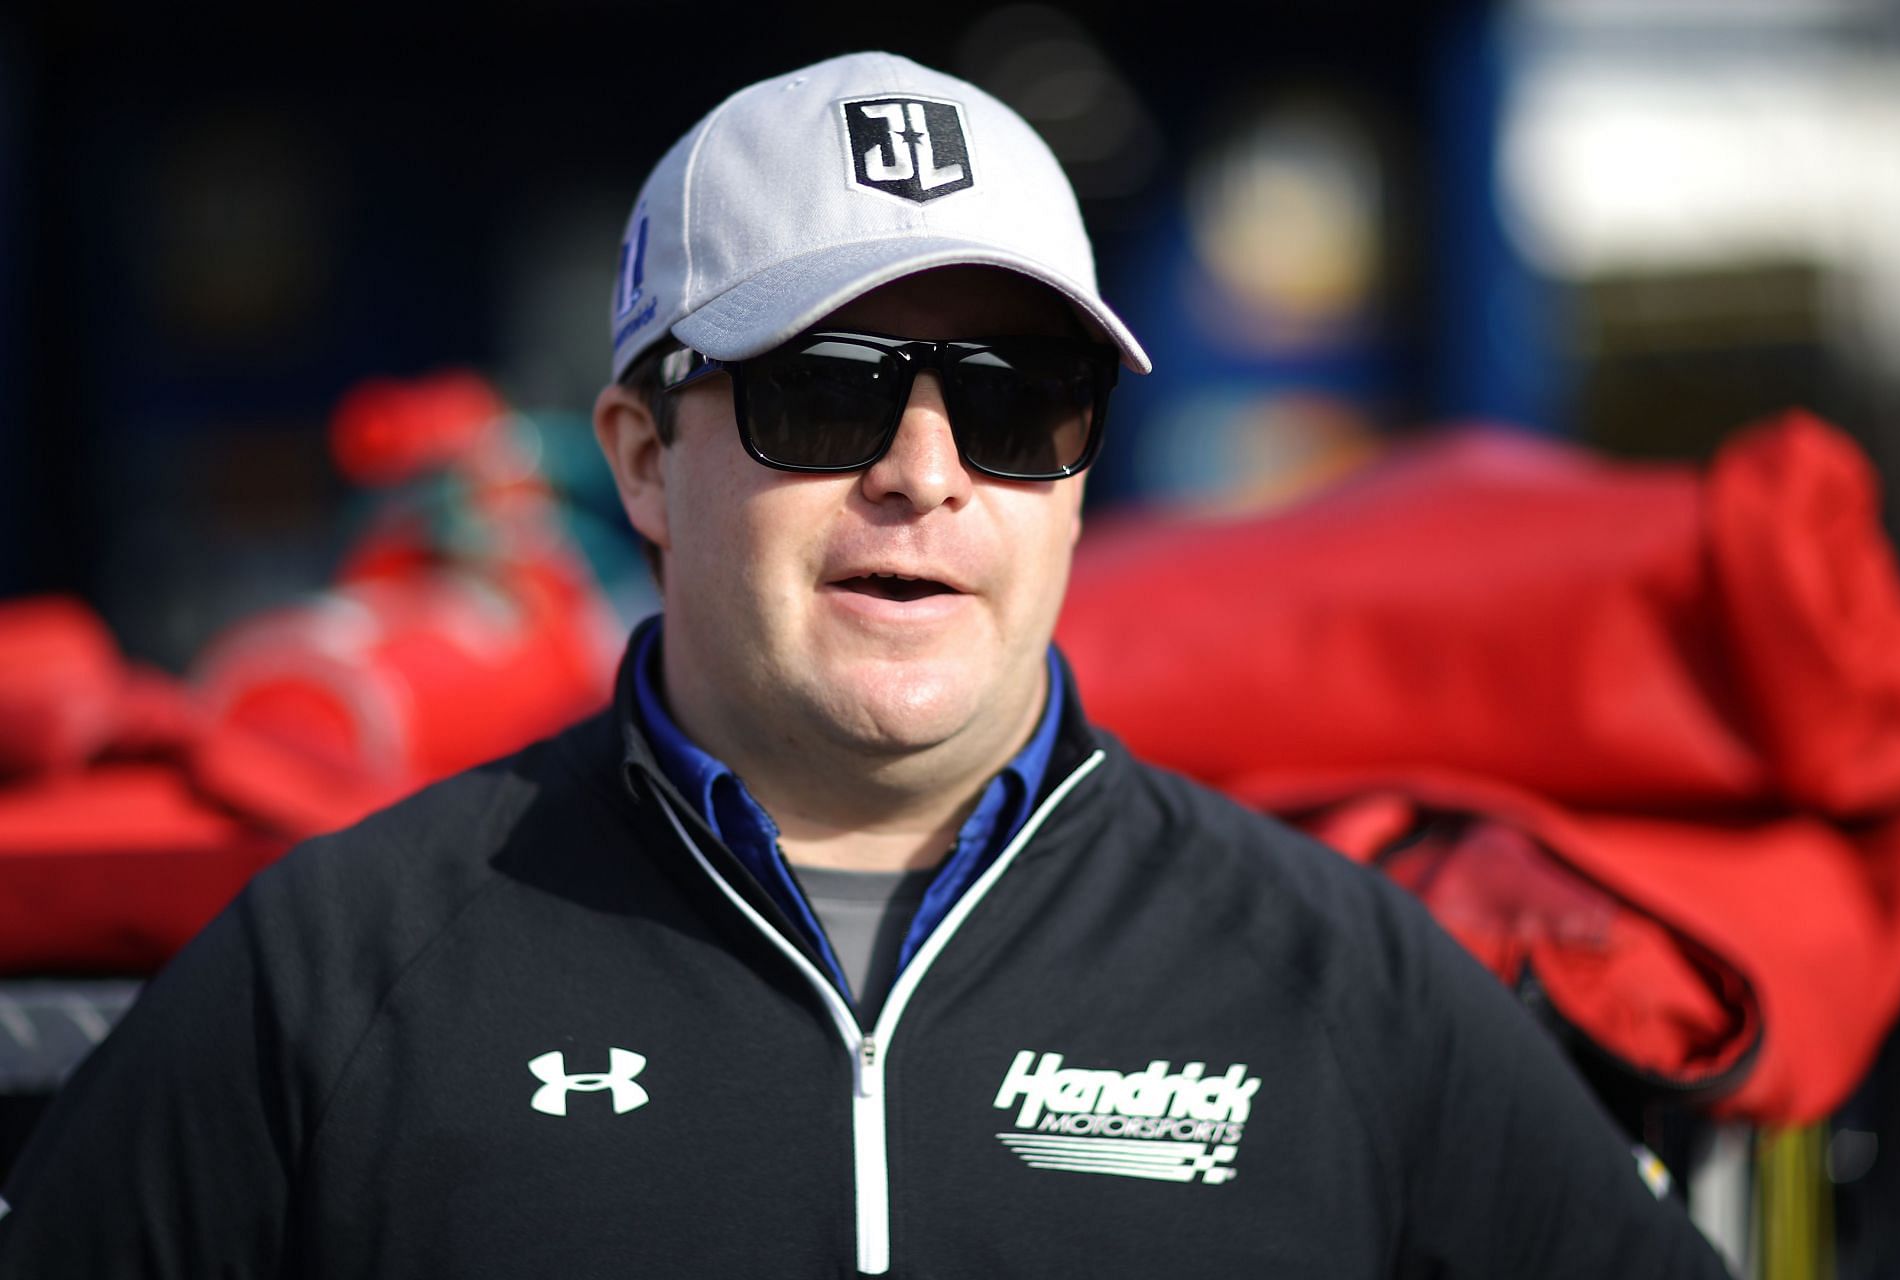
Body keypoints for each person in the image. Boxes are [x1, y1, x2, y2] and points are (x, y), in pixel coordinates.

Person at [0, 51, 1730, 1278]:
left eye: (1015, 400)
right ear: (637, 458)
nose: (925, 469)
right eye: (825, 389)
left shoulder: (1344, 978)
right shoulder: (329, 976)